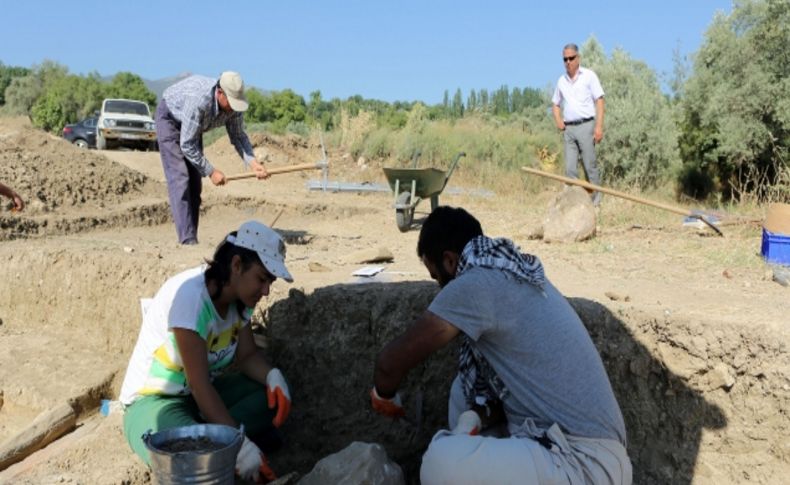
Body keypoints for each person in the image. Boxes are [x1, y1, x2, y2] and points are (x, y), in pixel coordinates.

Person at [370, 206, 631, 484]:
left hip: (583, 463)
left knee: (439, 462)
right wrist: (476, 418)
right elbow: (508, 399)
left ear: (449, 261)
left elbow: (389, 364)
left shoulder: (476, 284)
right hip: (580, 454)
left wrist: (383, 397)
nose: (440, 289)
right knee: (464, 391)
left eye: (437, 278)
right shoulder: (507, 270)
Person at [119, 220, 293, 483]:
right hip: (154, 402)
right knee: (197, 461)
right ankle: (225, 443)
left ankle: (218, 436)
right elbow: (200, 386)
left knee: (268, 397)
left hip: (197, 400)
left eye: (270, 281)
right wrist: (240, 445)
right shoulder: (192, 299)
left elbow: (246, 357)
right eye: (262, 278)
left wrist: (272, 377)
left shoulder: (240, 302)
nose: (266, 291)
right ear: (236, 265)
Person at [156, 71, 270, 245]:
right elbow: (187, 144)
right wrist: (211, 171)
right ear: (220, 92)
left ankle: (191, 236)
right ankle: (187, 241)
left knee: (195, 184)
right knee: (180, 178)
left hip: (193, 128)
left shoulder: (233, 108)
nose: (233, 107)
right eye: (231, 102)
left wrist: (253, 163)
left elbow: (238, 136)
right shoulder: (199, 101)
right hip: (171, 120)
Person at [552, 43, 606, 206]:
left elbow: (600, 100)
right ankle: (573, 203)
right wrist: (558, 120)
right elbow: (555, 103)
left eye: (571, 58)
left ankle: (596, 202)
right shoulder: (561, 81)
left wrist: (598, 126)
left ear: (578, 58)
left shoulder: (589, 76)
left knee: (589, 165)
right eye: (565, 59)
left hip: (586, 126)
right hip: (569, 129)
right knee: (569, 169)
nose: (568, 62)